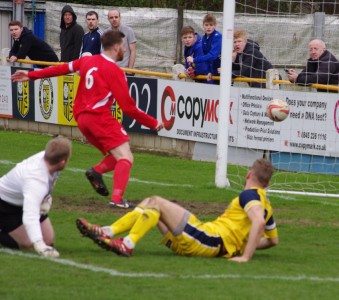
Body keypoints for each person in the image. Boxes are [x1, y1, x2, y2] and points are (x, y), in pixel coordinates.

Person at [11, 30, 163, 209]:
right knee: (126, 157)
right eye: (122, 46)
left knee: (118, 155)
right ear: (115, 47)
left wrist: (31, 75)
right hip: (99, 116)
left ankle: (96, 171)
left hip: (82, 119)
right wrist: (154, 123)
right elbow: (128, 107)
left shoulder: (87, 60)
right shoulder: (115, 71)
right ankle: (117, 199)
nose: (124, 49)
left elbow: (61, 68)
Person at [76, 158, 279, 262]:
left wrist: (245, 256)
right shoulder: (266, 205)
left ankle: (126, 244)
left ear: (249, 174)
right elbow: (272, 240)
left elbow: (258, 223)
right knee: (150, 203)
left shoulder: (249, 195)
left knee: (156, 201)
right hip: (207, 241)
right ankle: (108, 233)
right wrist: (241, 245)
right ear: (266, 183)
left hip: (208, 239)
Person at [0, 136, 71, 257]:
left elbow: (50, 182)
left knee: (48, 239)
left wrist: (47, 199)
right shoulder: (36, 180)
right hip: (5, 205)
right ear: (63, 162)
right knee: (27, 244)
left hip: (22, 199)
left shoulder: (50, 157)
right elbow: (30, 215)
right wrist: (40, 245)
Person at [186, 13, 222, 84]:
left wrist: (194, 60)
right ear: (203, 26)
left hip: (223, 70)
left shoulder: (218, 36)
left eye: (211, 25)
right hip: (214, 72)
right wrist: (209, 71)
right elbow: (207, 58)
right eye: (206, 25)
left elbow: (212, 55)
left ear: (215, 26)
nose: (209, 27)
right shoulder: (204, 38)